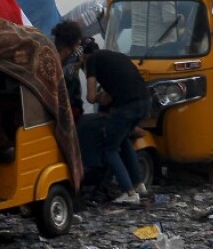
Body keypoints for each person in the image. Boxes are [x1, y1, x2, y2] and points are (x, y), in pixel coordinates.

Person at [81, 42, 150, 204]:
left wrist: (96, 96)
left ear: (84, 55)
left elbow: (91, 97)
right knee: (123, 139)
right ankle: (139, 185)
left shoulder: (92, 61)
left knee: (109, 148)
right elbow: (113, 94)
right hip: (145, 102)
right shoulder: (116, 56)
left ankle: (130, 193)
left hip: (127, 107)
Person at [52, 20, 87, 123]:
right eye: (78, 45)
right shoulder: (68, 72)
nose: (80, 49)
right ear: (67, 50)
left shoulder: (49, 58)